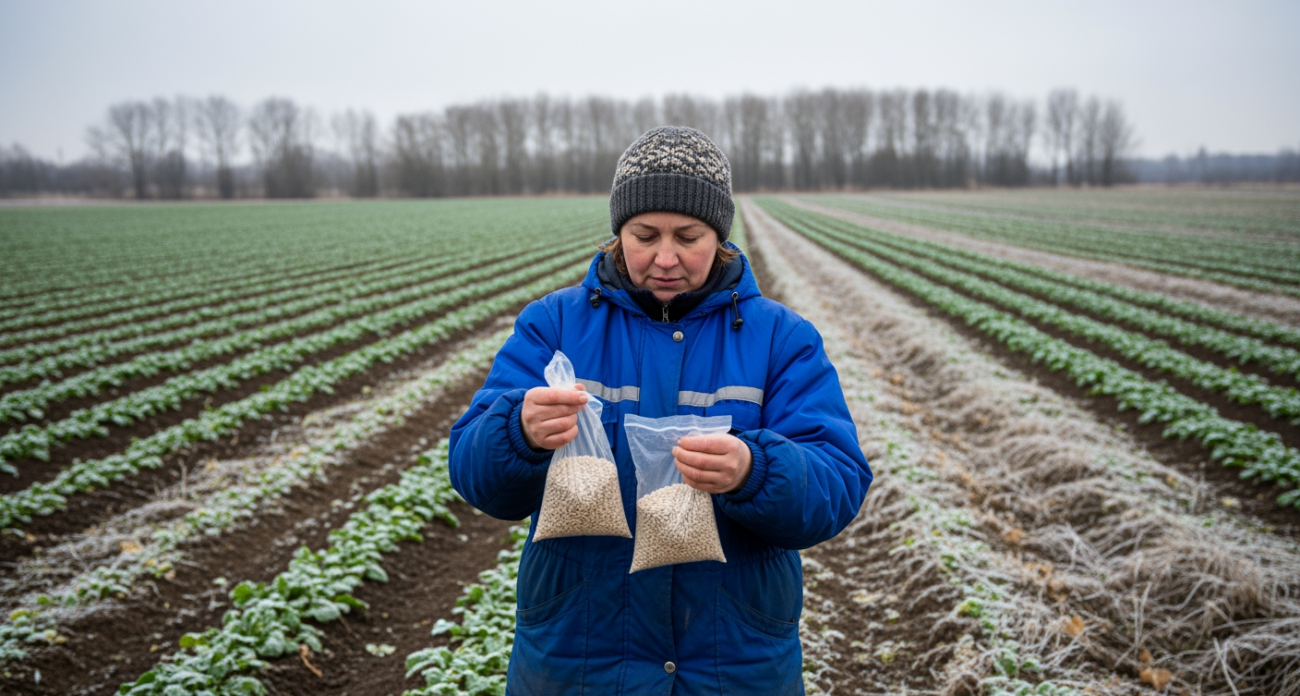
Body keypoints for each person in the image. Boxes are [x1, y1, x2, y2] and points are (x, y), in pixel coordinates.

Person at [449, 126, 872, 695]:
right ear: (618, 232)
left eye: (688, 236)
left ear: (719, 236)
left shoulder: (781, 339)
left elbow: (838, 483)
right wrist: (517, 432)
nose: (665, 258)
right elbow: (475, 476)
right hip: (579, 656)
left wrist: (755, 470)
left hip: (733, 660)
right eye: (644, 235)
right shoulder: (553, 325)